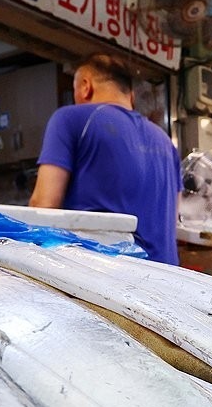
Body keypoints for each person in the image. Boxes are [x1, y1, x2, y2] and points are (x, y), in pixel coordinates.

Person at [30, 53, 181, 264]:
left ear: (85, 86)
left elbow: (43, 207)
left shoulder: (69, 119)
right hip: (168, 280)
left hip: (103, 280)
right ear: (131, 96)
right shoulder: (165, 141)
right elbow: (172, 220)